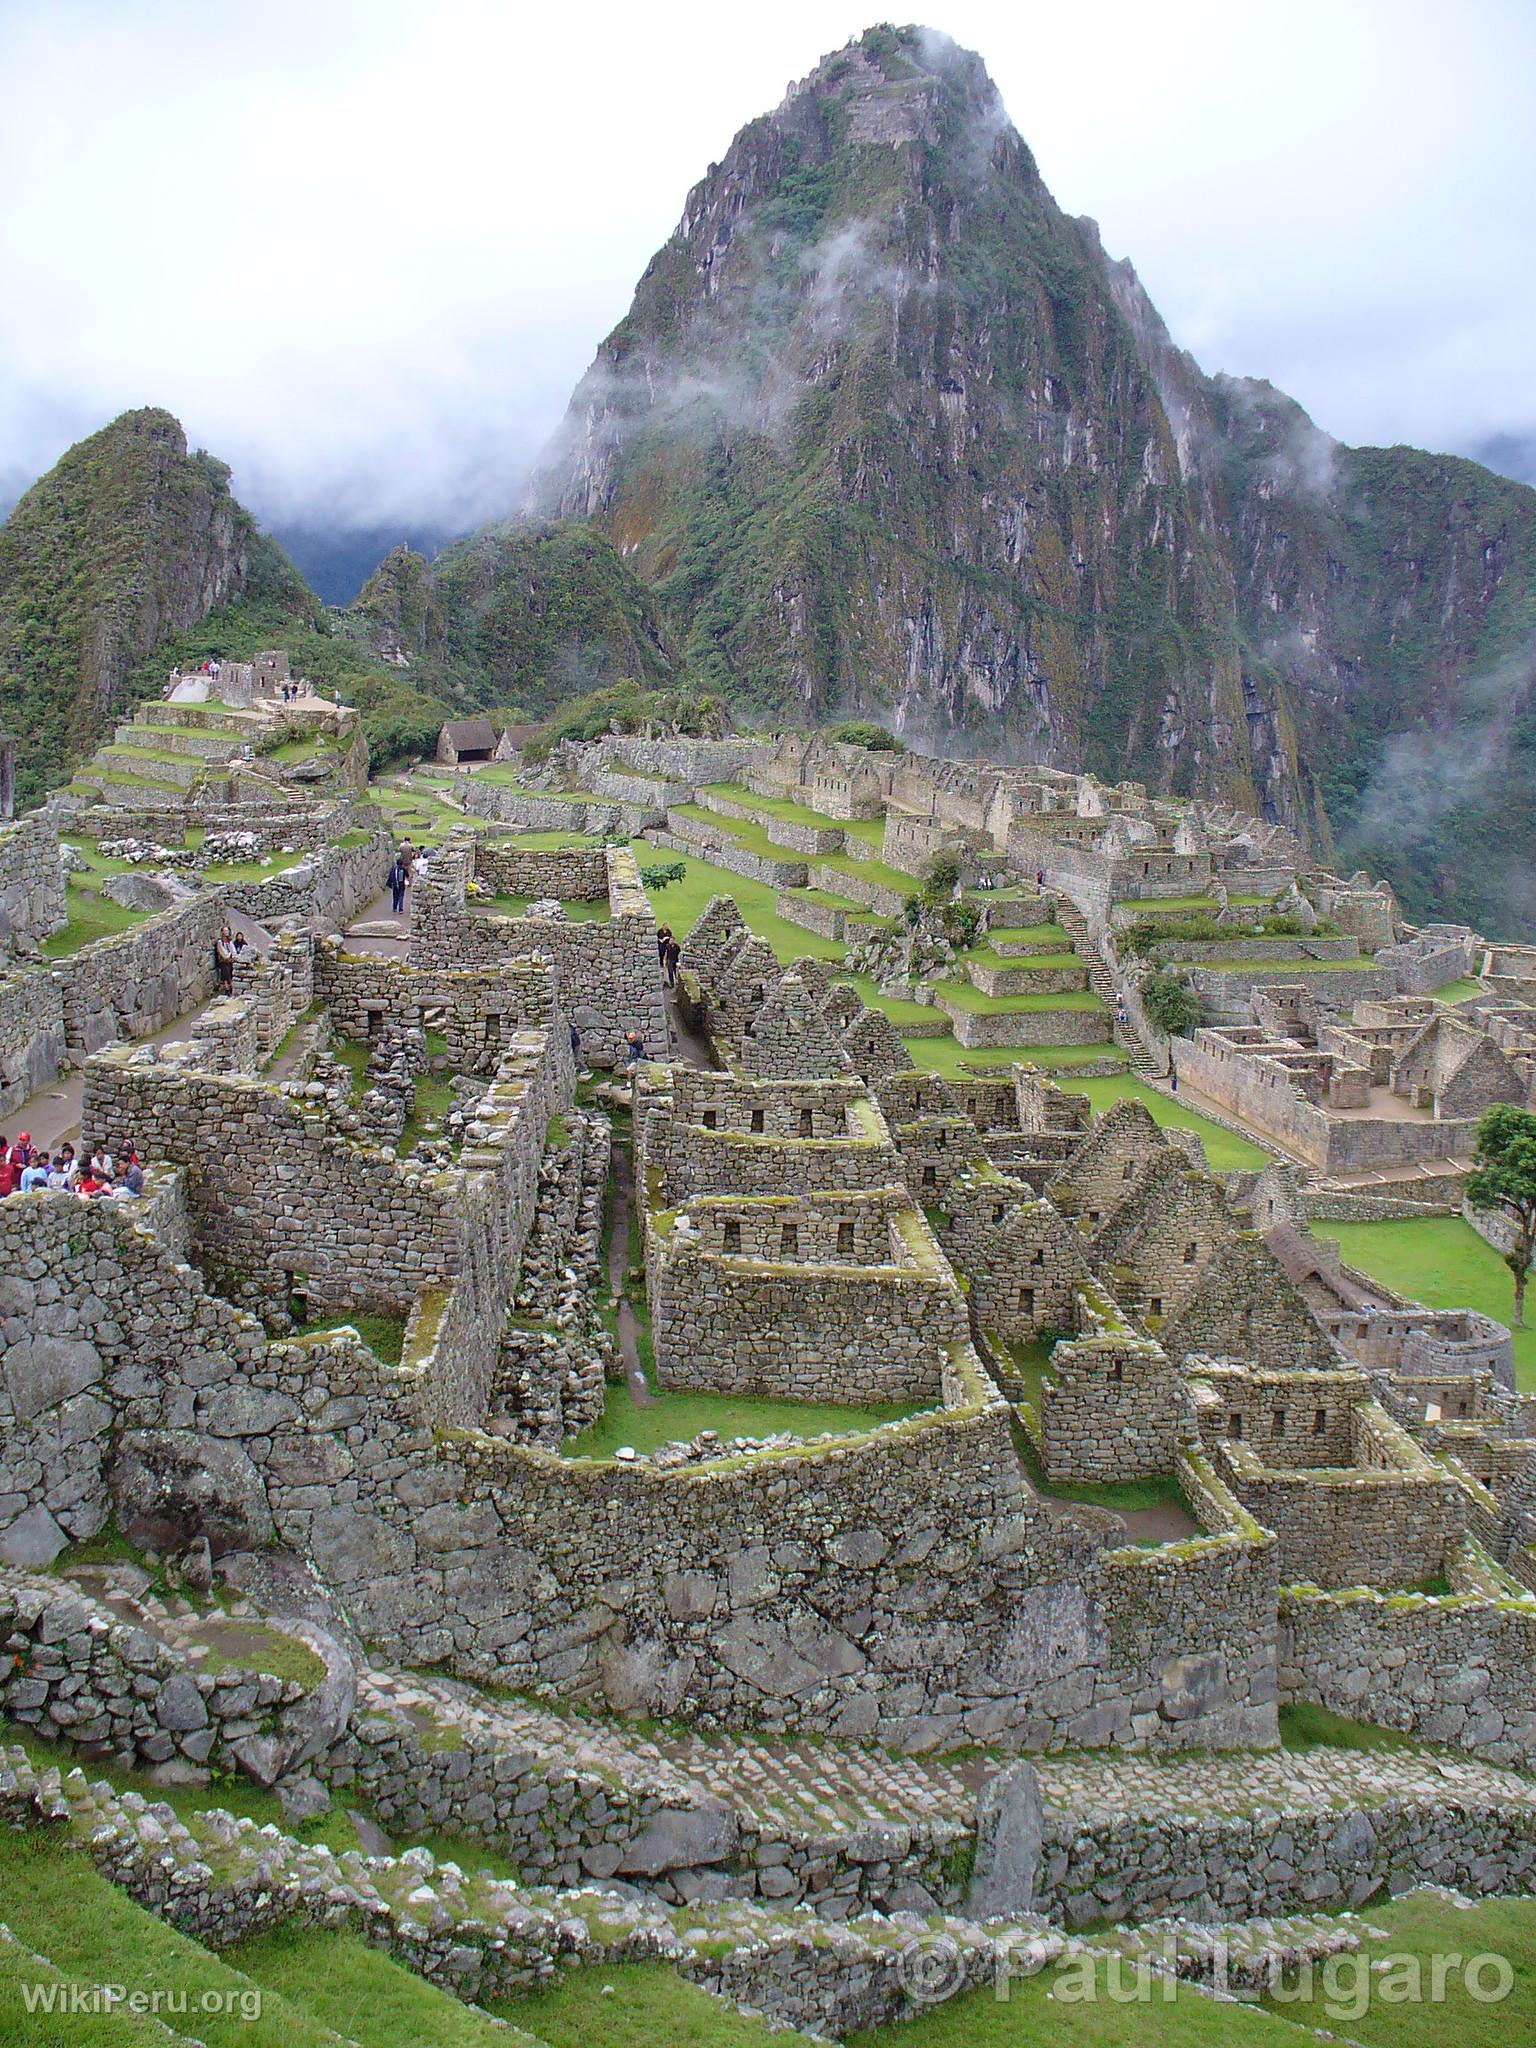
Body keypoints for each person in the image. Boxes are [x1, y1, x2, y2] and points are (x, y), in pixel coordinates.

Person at [214, 924, 236, 993]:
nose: (226, 932)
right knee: (226, 972)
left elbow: (233, 950)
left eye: (227, 931)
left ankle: (231, 987)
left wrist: (233, 956)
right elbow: (222, 953)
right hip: (223, 961)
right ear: (222, 932)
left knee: (231, 971)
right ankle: (227, 988)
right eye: (225, 931)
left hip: (230, 960)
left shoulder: (229, 941)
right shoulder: (220, 942)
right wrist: (228, 956)